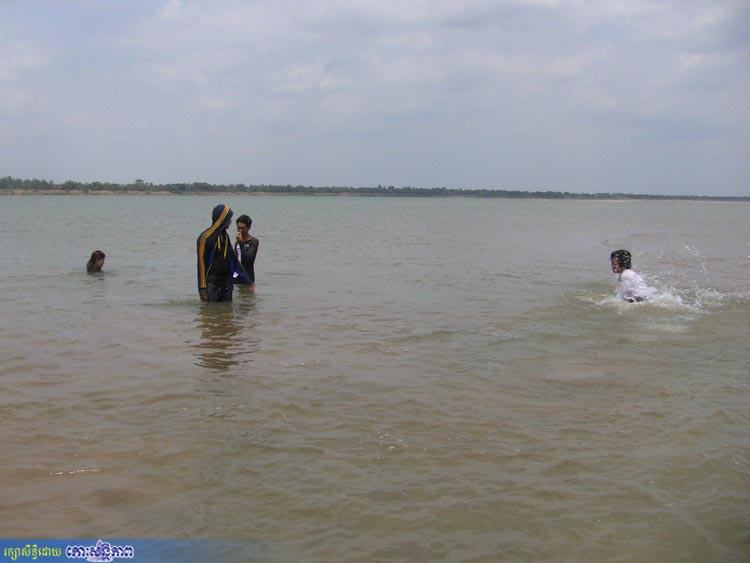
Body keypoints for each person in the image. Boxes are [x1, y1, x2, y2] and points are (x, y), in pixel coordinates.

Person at [197, 204, 249, 302]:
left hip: (227, 282)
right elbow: (201, 265)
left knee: (226, 310)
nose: (230, 221)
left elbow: (233, 258)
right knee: (210, 310)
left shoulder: (225, 236)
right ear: (222, 219)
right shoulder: (205, 237)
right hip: (212, 282)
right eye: (229, 219)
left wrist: (246, 279)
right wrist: (202, 289)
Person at [234, 214, 259, 292]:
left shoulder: (253, 241)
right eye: (238, 228)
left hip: (247, 278)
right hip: (236, 277)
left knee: (247, 299)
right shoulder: (237, 243)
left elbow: (249, 259)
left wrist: (241, 243)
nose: (240, 230)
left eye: (243, 228)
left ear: (249, 228)